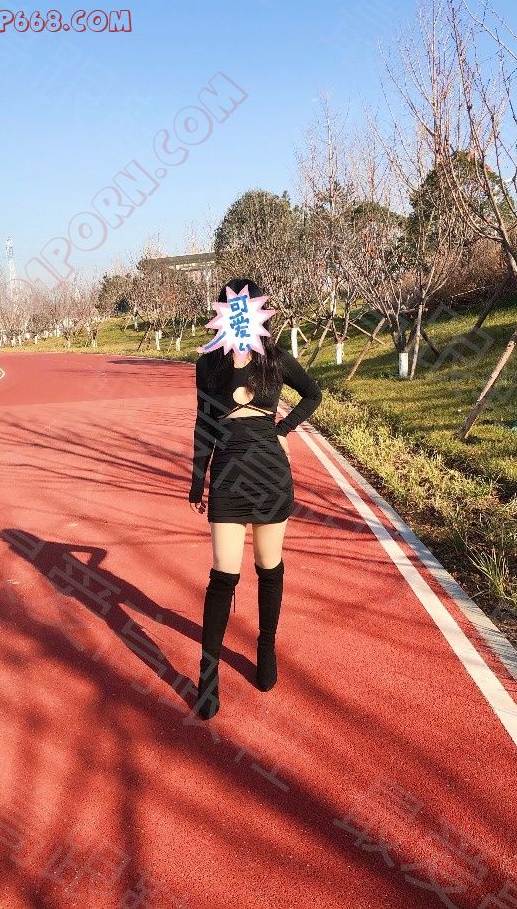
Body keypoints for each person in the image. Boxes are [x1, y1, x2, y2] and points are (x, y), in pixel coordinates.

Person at [188, 277, 323, 719]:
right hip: (228, 477)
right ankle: (208, 674)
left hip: (269, 475)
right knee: (223, 577)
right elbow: (204, 424)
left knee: (268, 568)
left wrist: (283, 430)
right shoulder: (209, 364)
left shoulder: (275, 358)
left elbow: (313, 394)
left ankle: (266, 650)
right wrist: (197, 480)